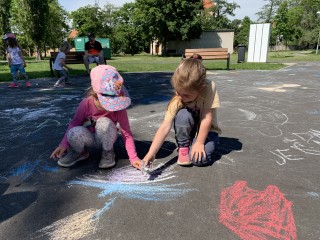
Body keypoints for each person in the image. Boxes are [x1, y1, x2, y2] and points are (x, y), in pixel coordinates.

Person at [50, 65, 142, 170]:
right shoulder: (86, 103)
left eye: (114, 101)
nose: (111, 106)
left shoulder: (119, 107)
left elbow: (126, 133)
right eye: (108, 102)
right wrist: (64, 144)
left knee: (104, 122)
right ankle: (80, 152)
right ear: (95, 95)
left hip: (106, 137)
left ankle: (108, 152)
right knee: (73, 131)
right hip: (89, 137)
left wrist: (134, 158)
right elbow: (75, 123)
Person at [142, 58, 221, 167]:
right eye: (178, 91)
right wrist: (151, 154)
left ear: (201, 88)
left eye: (186, 95)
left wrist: (199, 143)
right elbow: (164, 127)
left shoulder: (209, 87)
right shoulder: (178, 99)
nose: (181, 97)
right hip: (190, 130)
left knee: (199, 160)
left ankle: (203, 142)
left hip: (207, 130)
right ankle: (184, 147)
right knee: (183, 115)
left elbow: (206, 117)